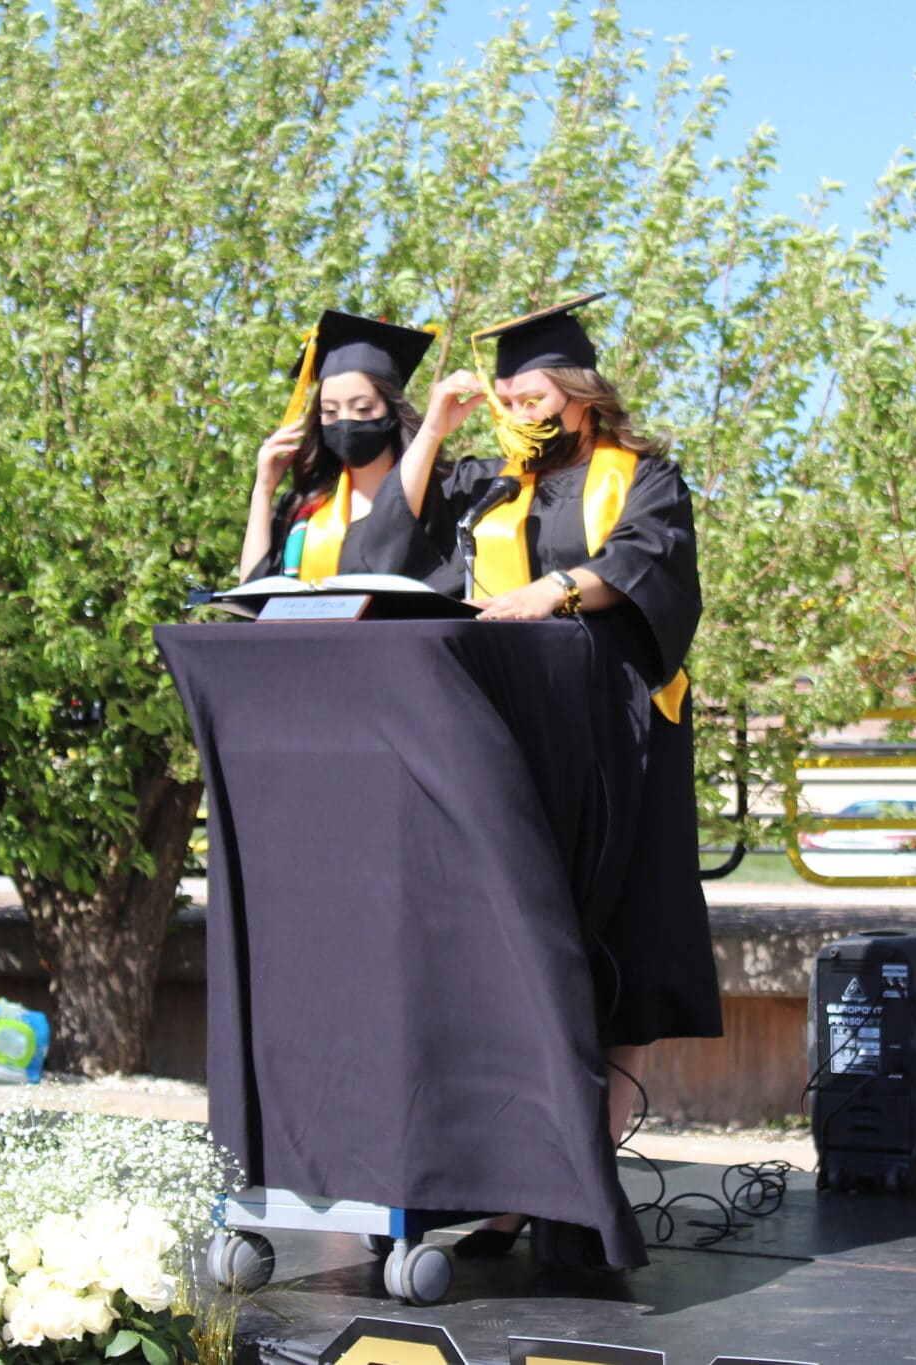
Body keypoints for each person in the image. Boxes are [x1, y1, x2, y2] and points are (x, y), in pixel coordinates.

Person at [417, 293, 724, 1256]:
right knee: (519, 960)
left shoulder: (644, 474)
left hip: (617, 743)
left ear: (583, 397)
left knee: (613, 952)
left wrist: (551, 590)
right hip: (511, 746)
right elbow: (402, 531)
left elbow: (647, 562)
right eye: (507, 397)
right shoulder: (491, 485)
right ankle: (513, 1186)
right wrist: (435, 423)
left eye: (534, 393)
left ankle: (585, 1176)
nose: (519, 410)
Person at [238, 310, 450, 584]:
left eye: (362, 408)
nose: (345, 422)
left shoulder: (438, 495)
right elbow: (253, 592)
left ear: (392, 411)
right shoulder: (307, 506)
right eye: (330, 411)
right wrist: (263, 490)